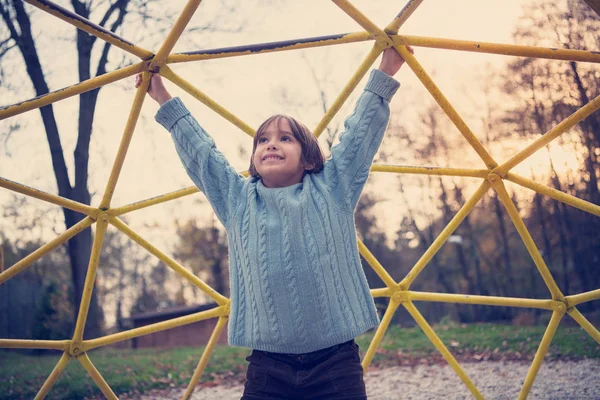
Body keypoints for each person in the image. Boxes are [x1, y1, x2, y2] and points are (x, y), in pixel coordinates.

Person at [136, 45, 412, 400]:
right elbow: (203, 155)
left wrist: (386, 70)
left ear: (310, 158)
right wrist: (162, 98)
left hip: (335, 361)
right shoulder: (237, 200)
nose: (271, 144)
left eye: (285, 138)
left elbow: (360, 136)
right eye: (262, 140)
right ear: (253, 158)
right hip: (267, 366)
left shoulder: (332, 188)